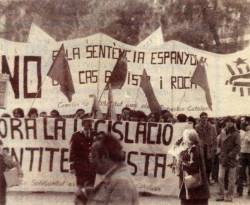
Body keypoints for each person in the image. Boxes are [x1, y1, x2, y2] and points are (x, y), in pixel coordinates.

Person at [77, 133, 139, 205]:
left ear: (104, 156)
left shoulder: (121, 182)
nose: (91, 161)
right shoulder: (114, 179)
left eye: (94, 156)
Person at [178, 129, 210, 205]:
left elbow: (193, 166)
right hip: (198, 185)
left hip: (194, 184)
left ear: (189, 139)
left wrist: (182, 163)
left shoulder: (193, 149)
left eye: (184, 138)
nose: (184, 140)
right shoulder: (197, 147)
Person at [69, 118, 96, 205]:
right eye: (88, 122)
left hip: (91, 166)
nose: (90, 124)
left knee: (90, 186)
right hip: (80, 165)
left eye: (91, 122)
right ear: (83, 123)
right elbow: (72, 151)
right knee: (80, 186)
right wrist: (72, 166)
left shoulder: (95, 134)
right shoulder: (76, 135)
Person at [216, 117, 241, 202]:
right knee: (220, 177)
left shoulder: (236, 133)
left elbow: (238, 146)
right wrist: (219, 152)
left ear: (233, 123)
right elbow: (219, 143)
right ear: (225, 123)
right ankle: (221, 194)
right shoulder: (222, 132)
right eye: (227, 122)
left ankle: (230, 195)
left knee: (231, 178)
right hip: (222, 157)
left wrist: (231, 154)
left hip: (232, 158)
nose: (229, 123)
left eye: (231, 122)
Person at [195, 112, 217, 183]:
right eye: (202, 118)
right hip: (200, 148)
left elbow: (215, 139)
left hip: (209, 149)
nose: (204, 119)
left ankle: (207, 180)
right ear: (200, 118)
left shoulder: (212, 127)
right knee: (200, 165)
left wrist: (214, 148)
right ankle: (201, 180)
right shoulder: (197, 127)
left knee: (209, 166)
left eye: (205, 118)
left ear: (207, 118)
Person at [0, 139, 23, 205]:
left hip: (1, 182)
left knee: (1, 199)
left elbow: (15, 164)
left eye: (1, 146)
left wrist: (20, 173)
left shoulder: (4, 157)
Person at [236, 121, 250, 197]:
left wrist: (246, 135)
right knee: (240, 173)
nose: (246, 126)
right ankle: (239, 192)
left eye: (247, 125)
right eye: (245, 125)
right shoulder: (240, 133)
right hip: (242, 154)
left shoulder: (245, 133)